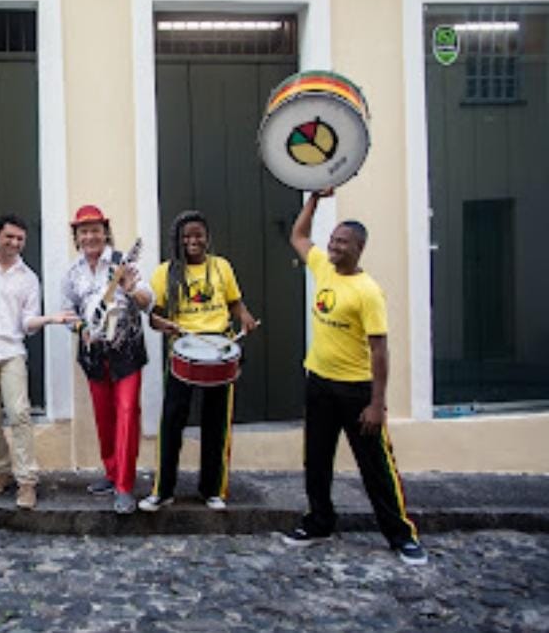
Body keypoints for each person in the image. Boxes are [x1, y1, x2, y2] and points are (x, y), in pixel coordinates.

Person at [283, 188, 428, 566]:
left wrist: (377, 403)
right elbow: (298, 236)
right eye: (332, 240)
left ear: (358, 248)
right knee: (316, 460)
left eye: (342, 242)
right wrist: (313, 200)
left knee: (376, 468)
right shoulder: (322, 267)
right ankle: (319, 521)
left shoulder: (368, 292)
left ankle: (401, 535)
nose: (333, 247)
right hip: (318, 382)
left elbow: (380, 350)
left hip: (356, 392)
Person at [139, 211, 259, 513]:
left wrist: (244, 317)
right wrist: (162, 325)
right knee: (172, 423)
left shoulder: (221, 267)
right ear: (178, 240)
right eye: (187, 236)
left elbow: (234, 302)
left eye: (198, 235)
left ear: (207, 237)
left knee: (216, 423)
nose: (193, 241)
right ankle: (163, 490)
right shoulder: (166, 272)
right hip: (183, 350)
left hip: (220, 348)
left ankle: (212, 490)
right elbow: (154, 317)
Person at [0, 213, 77, 510]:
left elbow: (27, 322)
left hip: (12, 350)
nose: (14, 243)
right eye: (9, 236)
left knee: (20, 413)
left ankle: (27, 481)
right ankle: (2, 469)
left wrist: (51, 318)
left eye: (20, 239)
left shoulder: (28, 278)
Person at [60, 204, 153, 514]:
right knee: (103, 417)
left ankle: (125, 487)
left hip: (126, 351)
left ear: (105, 232)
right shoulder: (72, 273)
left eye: (95, 230)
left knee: (127, 412)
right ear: (76, 236)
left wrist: (129, 288)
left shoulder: (122, 263)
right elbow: (67, 312)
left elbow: (147, 301)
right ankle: (112, 473)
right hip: (93, 353)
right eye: (84, 231)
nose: (90, 236)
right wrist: (82, 328)